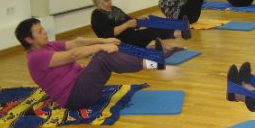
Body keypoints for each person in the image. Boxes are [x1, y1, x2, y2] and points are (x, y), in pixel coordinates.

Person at [15, 18, 164, 109]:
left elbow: (77, 42)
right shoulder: (36, 58)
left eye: (43, 29)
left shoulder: (48, 46)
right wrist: (101, 46)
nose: (45, 32)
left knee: (108, 52)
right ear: (29, 40)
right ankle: (154, 62)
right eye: (40, 32)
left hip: (81, 85)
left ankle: (152, 57)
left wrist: (104, 40)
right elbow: (73, 54)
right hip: (75, 97)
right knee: (102, 57)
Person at [90, 0, 189, 57]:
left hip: (131, 33)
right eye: (107, 1)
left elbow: (128, 19)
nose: (110, 2)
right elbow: (110, 34)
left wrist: (139, 18)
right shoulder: (97, 16)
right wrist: (127, 25)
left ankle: (181, 26)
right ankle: (181, 33)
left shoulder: (114, 9)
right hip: (121, 42)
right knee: (151, 32)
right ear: (98, 2)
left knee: (150, 18)